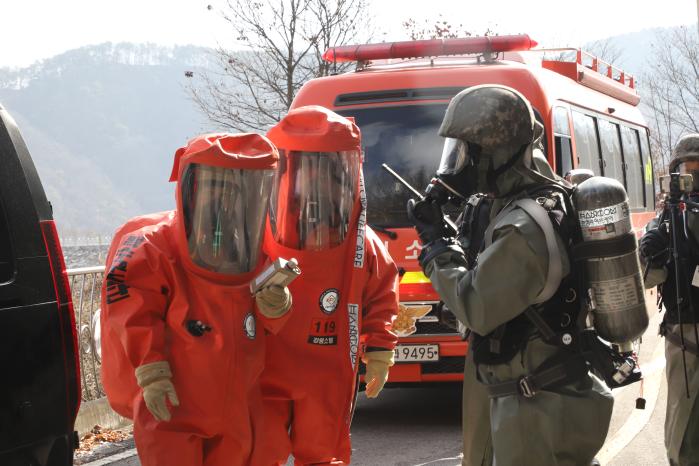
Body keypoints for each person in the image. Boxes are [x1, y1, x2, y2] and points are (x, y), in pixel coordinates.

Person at [407, 84, 613, 466]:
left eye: (466, 151)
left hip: (536, 408)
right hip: (533, 400)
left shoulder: (523, 226)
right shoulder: (526, 205)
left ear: (493, 152)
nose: (457, 163)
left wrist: (437, 247)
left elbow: (475, 306)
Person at [100, 133, 293, 466]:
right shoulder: (150, 247)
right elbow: (130, 311)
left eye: (234, 191)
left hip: (236, 405)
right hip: (173, 407)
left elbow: (267, 324)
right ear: (192, 189)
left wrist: (278, 305)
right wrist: (152, 373)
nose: (223, 204)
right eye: (215, 189)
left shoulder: (250, 255)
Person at [253, 105, 400, 466]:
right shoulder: (258, 236)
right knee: (259, 452)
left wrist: (379, 350)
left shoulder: (361, 245)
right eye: (305, 172)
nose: (314, 187)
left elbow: (381, 293)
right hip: (266, 370)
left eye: (326, 174)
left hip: (326, 372)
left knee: (322, 453)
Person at [640, 133, 699, 466]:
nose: (692, 175)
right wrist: (653, 246)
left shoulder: (673, 217)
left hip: (687, 338)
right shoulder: (668, 219)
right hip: (685, 333)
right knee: (683, 433)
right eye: (687, 168)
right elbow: (651, 276)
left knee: (682, 434)